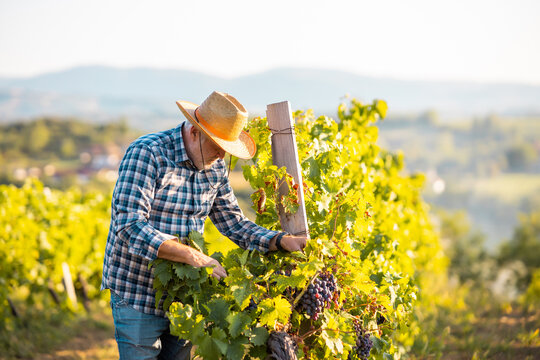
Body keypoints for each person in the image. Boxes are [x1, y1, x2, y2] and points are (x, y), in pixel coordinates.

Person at [101, 91, 308, 360]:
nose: (222, 155)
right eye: (217, 146)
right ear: (195, 132)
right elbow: (129, 225)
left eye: (227, 149)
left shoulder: (215, 166)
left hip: (184, 295)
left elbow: (233, 222)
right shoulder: (148, 153)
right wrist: (194, 257)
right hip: (137, 291)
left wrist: (279, 240)